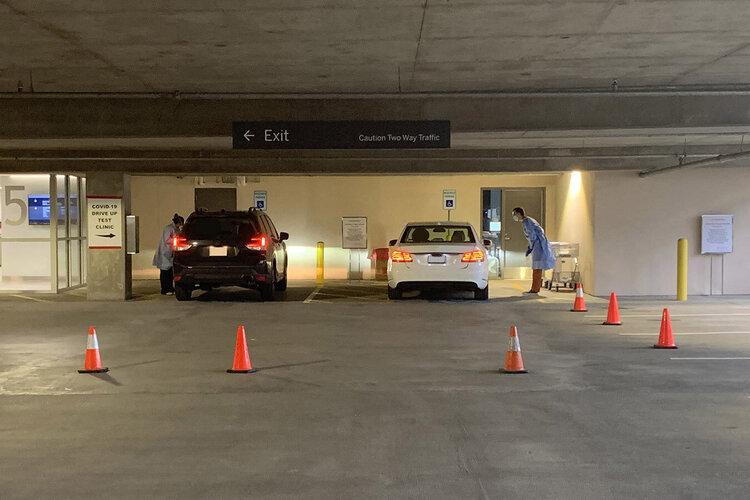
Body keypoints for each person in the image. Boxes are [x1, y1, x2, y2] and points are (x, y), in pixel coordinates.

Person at [512, 207, 555, 294]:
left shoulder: (527, 222)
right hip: (538, 244)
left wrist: (531, 247)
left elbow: (532, 235)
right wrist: (530, 246)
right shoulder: (529, 220)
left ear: (519, 214)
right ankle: (536, 287)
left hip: (537, 245)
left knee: (537, 267)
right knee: (537, 267)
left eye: (514, 214)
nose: (514, 217)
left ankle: (535, 288)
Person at [153, 214, 184, 295]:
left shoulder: (175, 229)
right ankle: (165, 289)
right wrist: (176, 239)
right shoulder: (168, 228)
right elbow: (167, 240)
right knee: (165, 272)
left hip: (170, 253)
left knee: (170, 272)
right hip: (165, 253)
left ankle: (170, 287)